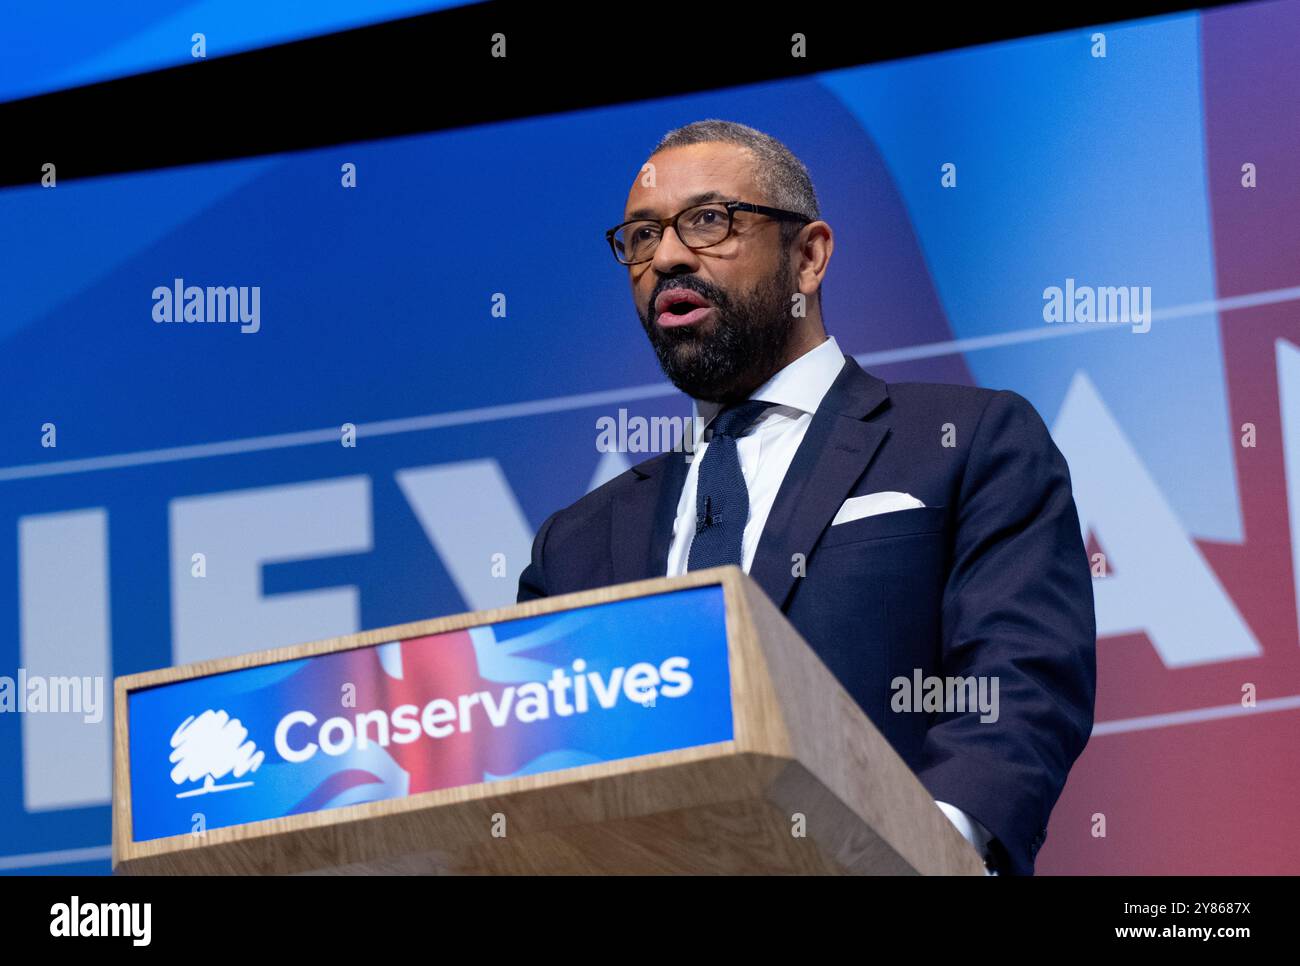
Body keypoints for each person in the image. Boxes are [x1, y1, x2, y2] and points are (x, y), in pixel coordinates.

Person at [517, 120, 1096, 875]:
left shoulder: (969, 441)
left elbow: (1018, 682)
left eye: (708, 221)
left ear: (810, 256)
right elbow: (537, 773)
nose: (665, 257)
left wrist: (919, 852)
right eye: (641, 236)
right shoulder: (576, 543)